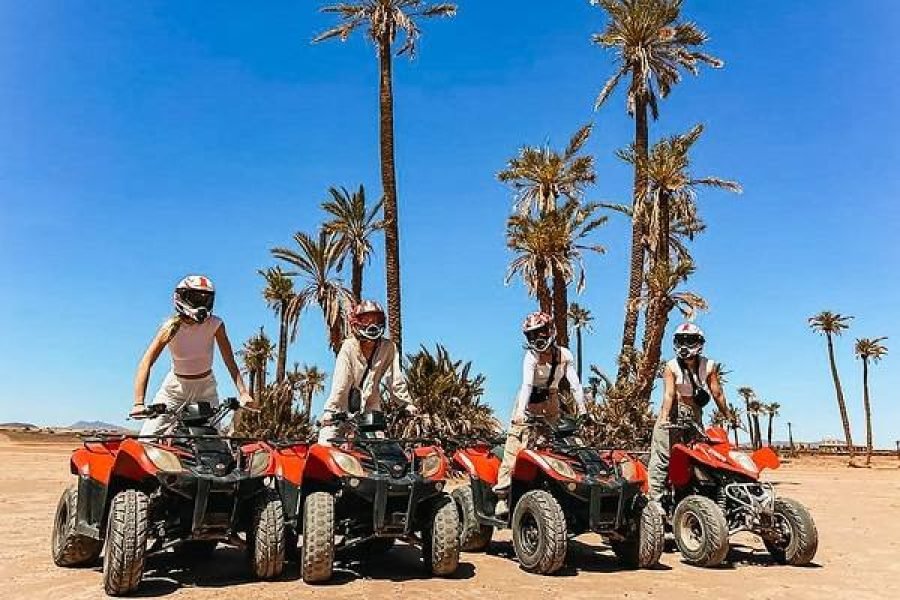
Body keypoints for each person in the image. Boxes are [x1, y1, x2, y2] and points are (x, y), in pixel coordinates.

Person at [132, 275, 255, 436]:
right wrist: (138, 403)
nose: (202, 305)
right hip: (174, 389)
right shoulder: (170, 328)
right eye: (196, 298)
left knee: (217, 443)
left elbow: (229, 360)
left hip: (206, 388)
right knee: (147, 439)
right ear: (181, 298)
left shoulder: (215, 324)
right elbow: (146, 362)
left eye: (206, 299)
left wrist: (244, 393)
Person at [493, 312, 587, 517]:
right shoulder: (531, 357)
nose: (538, 339)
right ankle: (502, 495)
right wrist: (520, 414)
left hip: (550, 400)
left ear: (551, 331)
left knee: (554, 444)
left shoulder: (564, 355)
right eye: (532, 336)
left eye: (541, 332)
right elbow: (526, 385)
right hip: (528, 401)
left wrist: (583, 410)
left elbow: (575, 385)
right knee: (515, 446)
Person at [647, 322, 729, 502]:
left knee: (697, 455)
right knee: (662, 456)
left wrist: (727, 415)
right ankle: (655, 500)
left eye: (690, 340)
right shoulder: (671, 367)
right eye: (681, 340)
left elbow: (717, 393)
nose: (685, 345)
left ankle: (693, 497)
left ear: (699, 342)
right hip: (674, 412)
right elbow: (669, 394)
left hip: (695, 413)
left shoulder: (709, 366)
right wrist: (664, 418)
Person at [318, 300, 417, 445]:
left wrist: (406, 404)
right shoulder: (349, 347)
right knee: (325, 448)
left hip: (371, 413)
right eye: (366, 320)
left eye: (376, 320)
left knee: (382, 452)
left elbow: (395, 377)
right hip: (341, 412)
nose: (372, 325)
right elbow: (341, 383)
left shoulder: (388, 347)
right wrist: (331, 412)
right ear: (356, 323)